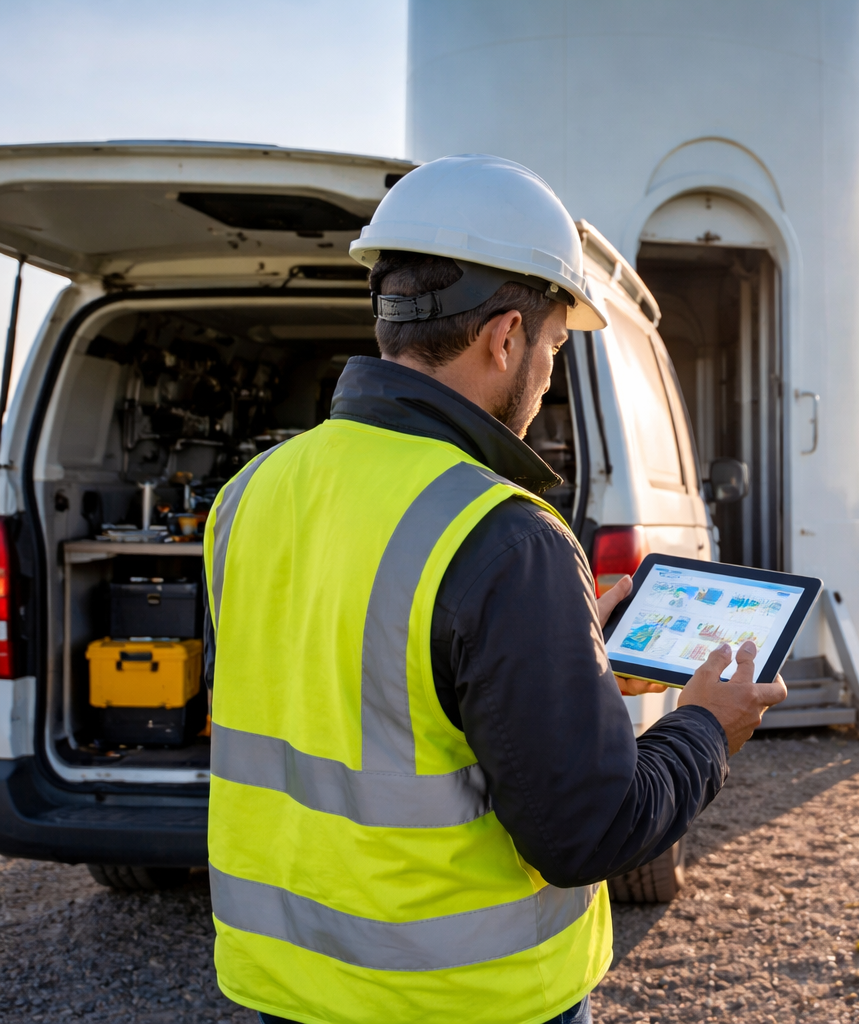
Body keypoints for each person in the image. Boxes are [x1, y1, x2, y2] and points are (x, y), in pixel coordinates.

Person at [203, 154, 787, 1024]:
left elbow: (344, 689)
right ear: (505, 336)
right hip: (463, 999)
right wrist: (708, 726)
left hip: (289, 985)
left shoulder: (250, 491)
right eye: (554, 344)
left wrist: (554, 661)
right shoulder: (503, 536)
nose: (548, 371)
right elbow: (590, 831)